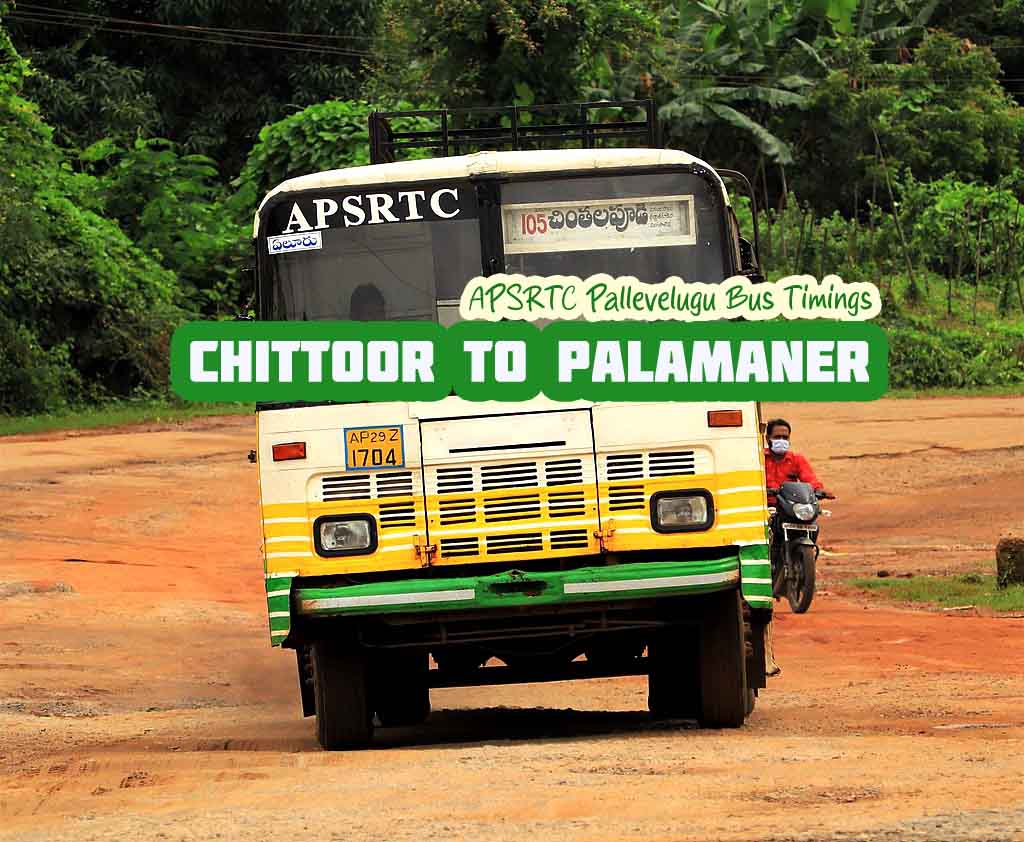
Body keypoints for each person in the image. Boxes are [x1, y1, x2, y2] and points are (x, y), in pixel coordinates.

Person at [763, 417, 834, 502]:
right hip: (762, 505)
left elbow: (810, 479)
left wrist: (819, 490)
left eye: (785, 437)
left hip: (790, 505)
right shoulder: (759, 459)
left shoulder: (796, 459)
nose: (781, 440)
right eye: (777, 437)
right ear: (768, 439)